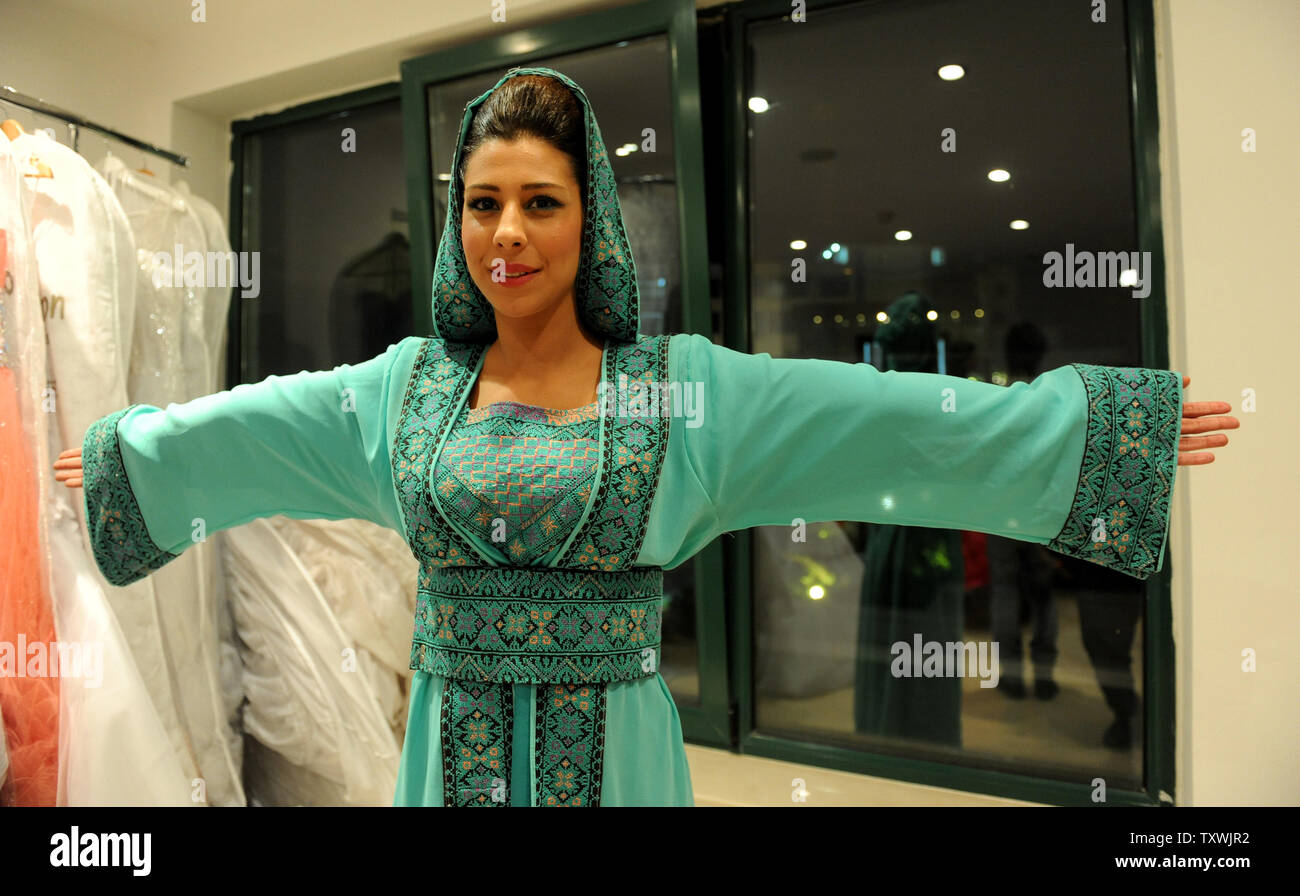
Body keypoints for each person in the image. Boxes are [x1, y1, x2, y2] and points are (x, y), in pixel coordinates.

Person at [53, 66, 1239, 807]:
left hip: (616, 757)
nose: (505, 233)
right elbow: (256, 424)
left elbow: (886, 423)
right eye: (481, 202)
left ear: (595, 220)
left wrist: (1092, 428)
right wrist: (131, 454)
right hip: (444, 757)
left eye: (540, 202)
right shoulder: (402, 394)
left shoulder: (683, 397)